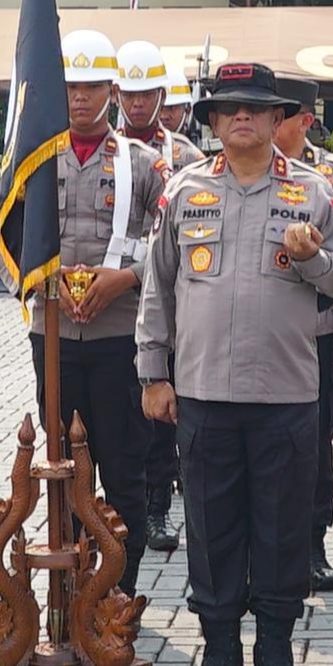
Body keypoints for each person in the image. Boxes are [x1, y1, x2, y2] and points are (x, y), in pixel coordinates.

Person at [136, 62, 333, 666]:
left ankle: (274, 657)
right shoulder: (182, 192)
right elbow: (158, 288)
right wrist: (153, 373)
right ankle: (218, 656)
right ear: (211, 121)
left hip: (286, 395)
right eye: (229, 108)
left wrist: (312, 257)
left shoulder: (312, 192)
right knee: (211, 527)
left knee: (280, 528)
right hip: (204, 393)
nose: (242, 117)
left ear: (275, 120)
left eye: (256, 109)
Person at [23, 29, 168, 597]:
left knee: (122, 465)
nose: (79, 98)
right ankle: (71, 584)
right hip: (53, 336)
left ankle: (118, 592)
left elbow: (174, 241)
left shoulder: (145, 163)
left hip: (119, 337)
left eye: (90, 86)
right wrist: (41, 279)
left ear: (112, 90)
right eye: (70, 87)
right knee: (60, 462)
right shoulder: (37, 159)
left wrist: (127, 278)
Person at [274, 76, 333, 592]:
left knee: (314, 442)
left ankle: (312, 545)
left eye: (280, 116)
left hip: (315, 333)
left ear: (304, 121)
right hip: (260, 336)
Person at [114, 40, 205, 554]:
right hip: (116, 306)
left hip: (167, 304)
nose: (139, 104)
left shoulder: (185, 157)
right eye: (130, 94)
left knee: (161, 414)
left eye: (148, 94)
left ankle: (156, 507)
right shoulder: (111, 149)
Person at [159, 69, 195, 138]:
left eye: (171, 108)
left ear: (187, 109)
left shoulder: (195, 147)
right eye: (160, 108)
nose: (164, 116)